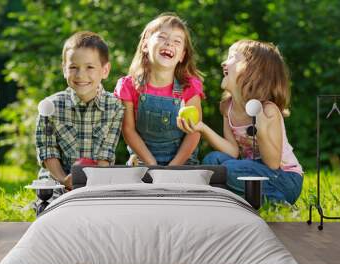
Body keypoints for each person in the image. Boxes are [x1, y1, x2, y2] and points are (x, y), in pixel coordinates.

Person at [178, 39, 303, 204]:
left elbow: (272, 163)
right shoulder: (227, 108)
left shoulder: (267, 110)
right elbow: (232, 152)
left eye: (232, 57)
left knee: (229, 169)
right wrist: (201, 128)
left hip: (285, 178)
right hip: (251, 168)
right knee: (212, 161)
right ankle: (230, 199)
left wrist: (262, 131)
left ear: (253, 71)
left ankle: (277, 201)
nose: (224, 62)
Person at [35, 31, 124, 198]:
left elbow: (106, 155)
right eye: (73, 67)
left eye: (89, 67)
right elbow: (48, 152)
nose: (80, 75)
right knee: (55, 211)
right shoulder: (50, 107)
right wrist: (64, 180)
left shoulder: (115, 107)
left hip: (96, 181)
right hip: (56, 182)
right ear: (64, 69)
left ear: (105, 70)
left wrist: (87, 184)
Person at [114, 13, 204, 166]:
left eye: (177, 41)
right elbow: (128, 131)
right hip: (142, 162)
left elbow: (194, 132)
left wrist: (173, 167)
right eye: (162, 37)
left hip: (183, 163)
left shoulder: (188, 86)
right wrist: (152, 164)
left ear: (182, 55)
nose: (169, 43)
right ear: (145, 46)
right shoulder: (128, 86)